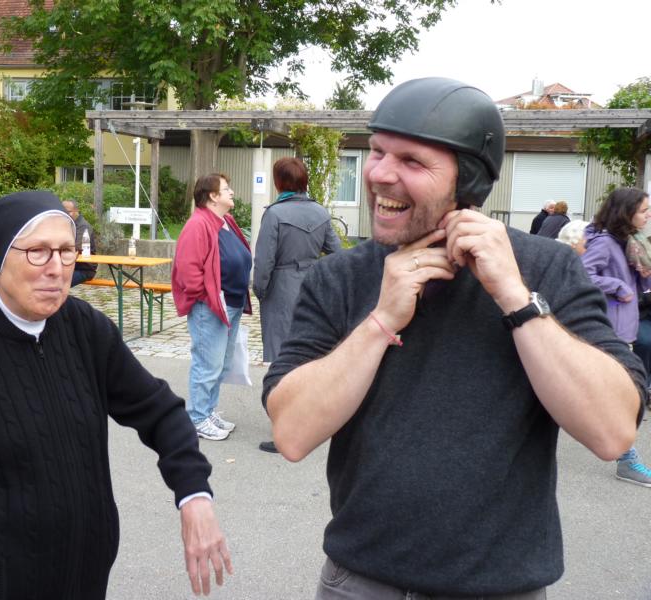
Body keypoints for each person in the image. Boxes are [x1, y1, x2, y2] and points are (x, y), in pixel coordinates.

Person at [262, 78, 645, 599]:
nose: (379, 173)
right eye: (377, 151)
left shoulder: (546, 268)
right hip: (360, 581)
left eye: (411, 161)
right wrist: (380, 322)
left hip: (499, 587)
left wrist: (514, 296)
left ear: (468, 181)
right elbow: (291, 433)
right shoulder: (340, 277)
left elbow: (611, 431)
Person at [0, 191, 232, 600]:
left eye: (66, 251)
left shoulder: (85, 329)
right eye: (37, 252)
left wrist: (194, 494)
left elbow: (160, 412)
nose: (56, 269)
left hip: (84, 583)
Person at [253, 157, 341, 453]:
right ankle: (309, 422)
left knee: (282, 360)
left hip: (281, 289)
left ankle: (287, 430)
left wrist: (260, 290)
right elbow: (338, 254)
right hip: (312, 288)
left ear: (279, 182)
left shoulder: (274, 214)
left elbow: (263, 261)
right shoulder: (320, 211)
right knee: (307, 355)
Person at [172, 174, 252, 441]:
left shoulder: (225, 220)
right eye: (226, 189)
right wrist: (206, 296)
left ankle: (207, 411)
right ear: (213, 196)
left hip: (231, 303)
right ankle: (197, 418)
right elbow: (187, 269)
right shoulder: (198, 224)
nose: (232, 192)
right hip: (211, 306)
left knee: (221, 364)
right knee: (208, 363)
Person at [581, 186, 651, 487]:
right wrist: (618, 287)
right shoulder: (606, 243)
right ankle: (627, 460)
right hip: (608, 330)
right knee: (622, 396)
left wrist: (639, 279)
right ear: (626, 213)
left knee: (602, 393)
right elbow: (583, 273)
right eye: (644, 211)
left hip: (621, 328)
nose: (648, 216)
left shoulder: (629, 242)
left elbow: (634, 281)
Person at [62, 199, 97, 286]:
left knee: (58, 283)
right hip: (69, 266)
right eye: (63, 211)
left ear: (77, 210)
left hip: (84, 269)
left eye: (68, 212)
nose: (65, 214)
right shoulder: (67, 224)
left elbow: (77, 248)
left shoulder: (83, 226)